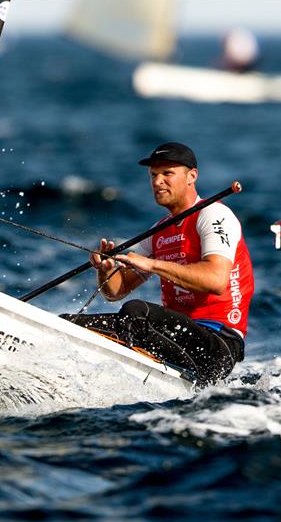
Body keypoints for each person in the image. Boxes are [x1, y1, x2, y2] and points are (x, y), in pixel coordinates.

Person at [64, 142, 254, 385]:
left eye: (167, 173)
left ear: (191, 176)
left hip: (217, 344)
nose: (157, 182)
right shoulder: (159, 231)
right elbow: (116, 292)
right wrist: (107, 271)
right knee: (66, 325)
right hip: (172, 338)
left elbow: (216, 280)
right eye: (153, 175)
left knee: (136, 312)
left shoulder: (214, 215)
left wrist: (152, 264)